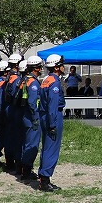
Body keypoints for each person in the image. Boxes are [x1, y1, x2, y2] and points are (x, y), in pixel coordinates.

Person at [37, 54, 67, 191]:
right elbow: (53, 104)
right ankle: (45, 179)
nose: (63, 67)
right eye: (61, 65)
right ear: (56, 67)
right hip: (52, 116)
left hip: (44, 115)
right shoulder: (54, 82)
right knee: (51, 148)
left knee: (46, 147)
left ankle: (43, 177)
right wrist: (53, 123)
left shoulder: (46, 80)